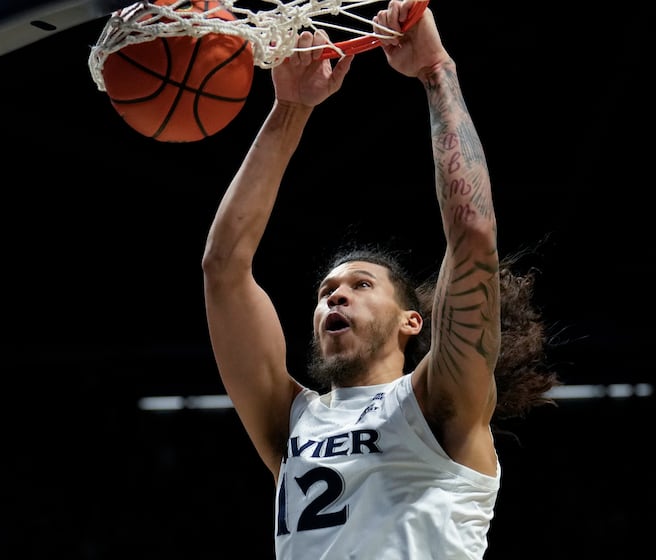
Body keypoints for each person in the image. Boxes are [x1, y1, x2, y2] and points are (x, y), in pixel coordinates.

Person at [201, 1, 560, 558]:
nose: (335, 295)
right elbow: (223, 268)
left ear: (411, 321)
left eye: (361, 285)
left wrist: (437, 73)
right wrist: (289, 108)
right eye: (325, 293)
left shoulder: (439, 400)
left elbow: (472, 238)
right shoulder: (289, 418)